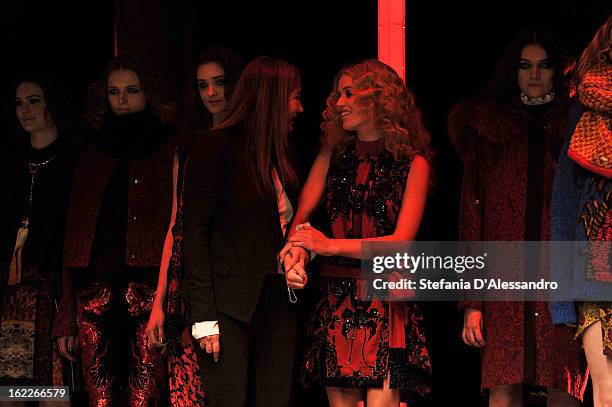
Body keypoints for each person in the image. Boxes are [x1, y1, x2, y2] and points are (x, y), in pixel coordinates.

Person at [448, 26, 587, 406]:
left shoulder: (574, 130)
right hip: (502, 281)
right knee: (504, 384)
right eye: (526, 65)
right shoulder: (492, 134)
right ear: (514, 71)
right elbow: (471, 219)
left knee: (565, 382)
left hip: (560, 276)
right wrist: (472, 301)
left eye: (544, 65)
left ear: (558, 71)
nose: (535, 74)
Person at [283, 59, 432, 407]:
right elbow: (299, 224)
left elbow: (400, 245)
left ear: (379, 97)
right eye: (338, 95)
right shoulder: (331, 156)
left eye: (349, 93)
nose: (338, 103)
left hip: (387, 299)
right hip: (337, 301)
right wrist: (296, 256)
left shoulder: (413, 163)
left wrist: (327, 245)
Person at [53, 54, 175, 406]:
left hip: (150, 290)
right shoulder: (92, 155)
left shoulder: (167, 153)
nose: (122, 99)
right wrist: (65, 321)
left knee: (145, 396)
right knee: (100, 398)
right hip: (95, 289)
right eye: (114, 91)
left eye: (131, 90)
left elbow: (177, 228)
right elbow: (73, 237)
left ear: (147, 93)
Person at [183, 56, 304, 407]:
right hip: (228, 307)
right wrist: (204, 317)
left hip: (278, 302)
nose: (299, 108)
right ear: (273, 98)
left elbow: (292, 226)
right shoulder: (215, 146)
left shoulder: (283, 155)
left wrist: (301, 254)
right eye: (295, 97)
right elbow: (194, 234)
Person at [145, 46, 244, 405]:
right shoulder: (186, 148)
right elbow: (176, 224)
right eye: (203, 86)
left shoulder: (248, 144)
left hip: (232, 283)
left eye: (219, 83)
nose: (212, 93)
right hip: (186, 282)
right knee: (186, 388)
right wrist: (159, 300)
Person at [0, 71, 79, 388]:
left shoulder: (75, 162)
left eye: (34, 101)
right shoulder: (9, 163)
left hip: (56, 287)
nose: (25, 110)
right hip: (14, 289)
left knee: (54, 386)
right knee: (14, 386)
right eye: (19, 103)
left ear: (51, 103)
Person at [549, 15, 612, 407]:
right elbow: (563, 205)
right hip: (596, 269)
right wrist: (561, 296)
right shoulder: (585, 112)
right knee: (605, 392)